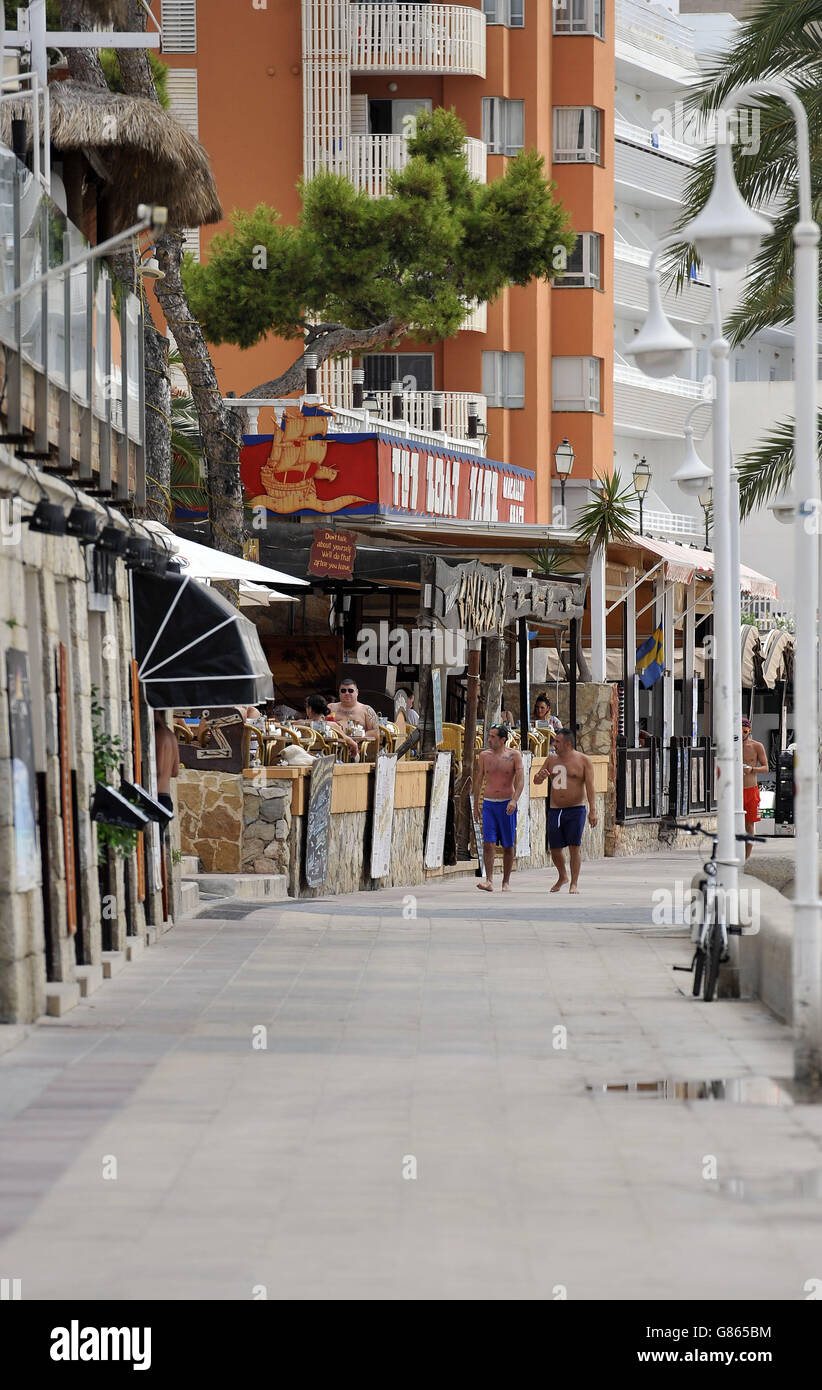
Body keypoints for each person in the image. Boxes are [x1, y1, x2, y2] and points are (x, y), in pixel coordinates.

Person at [534, 727, 597, 893]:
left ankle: (574, 883)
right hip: (555, 809)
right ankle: (562, 875)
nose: (554, 745)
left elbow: (590, 787)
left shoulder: (583, 761)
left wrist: (593, 810)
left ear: (568, 744)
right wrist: (539, 777)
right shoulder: (551, 759)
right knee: (555, 847)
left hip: (576, 809)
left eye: (557, 742)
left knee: (574, 846)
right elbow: (537, 780)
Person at [473, 724, 524, 893]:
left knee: (508, 845)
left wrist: (514, 800)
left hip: (506, 803)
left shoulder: (514, 755)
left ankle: (506, 881)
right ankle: (488, 879)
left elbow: (521, 780)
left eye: (493, 736)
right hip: (489, 803)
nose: (489, 739)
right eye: (489, 736)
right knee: (488, 843)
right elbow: (478, 780)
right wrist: (476, 806)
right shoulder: (484, 756)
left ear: (503, 739)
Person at [328, 680, 380, 756]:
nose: (347, 693)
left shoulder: (366, 709)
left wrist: (358, 739)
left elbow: (375, 732)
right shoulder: (331, 707)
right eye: (343, 691)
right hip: (333, 748)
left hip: (357, 750)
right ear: (339, 693)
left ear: (357, 692)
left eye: (350, 690)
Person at [741, 717, 768, 858]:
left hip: (751, 790)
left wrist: (752, 769)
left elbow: (766, 768)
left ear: (749, 730)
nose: (742, 734)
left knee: (750, 825)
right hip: (735, 791)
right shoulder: (731, 746)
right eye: (740, 731)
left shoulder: (757, 746)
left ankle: (746, 857)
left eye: (745, 731)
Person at [154, 711, 180, 815]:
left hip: (157, 797)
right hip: (167, 798)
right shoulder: (171, 735)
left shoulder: (158, 734)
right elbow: (175, 772)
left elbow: (158, 770)